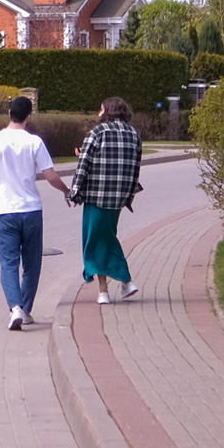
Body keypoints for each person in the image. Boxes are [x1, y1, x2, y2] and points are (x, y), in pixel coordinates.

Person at [0, 95, 61, 330]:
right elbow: (50, 175)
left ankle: (14, 307)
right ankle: (25, 310)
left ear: (9, 113)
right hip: (31, 210)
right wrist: (67, 191)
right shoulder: (34, 142)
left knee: (8, 263)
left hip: (5, 210)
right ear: (29, 115)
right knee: (32, 263)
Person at [68, 97, 144, 304]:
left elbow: (84, 165)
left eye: (101, 109)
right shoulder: (134, 134)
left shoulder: (97, 133)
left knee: (94, 239)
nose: (98, 112)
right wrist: (129, 194)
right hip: (119, 197)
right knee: (106, 236)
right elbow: (136, 168)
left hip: (97, 195)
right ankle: (115, 286)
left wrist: (74, 191)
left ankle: (117, 284)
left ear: (107, 111)